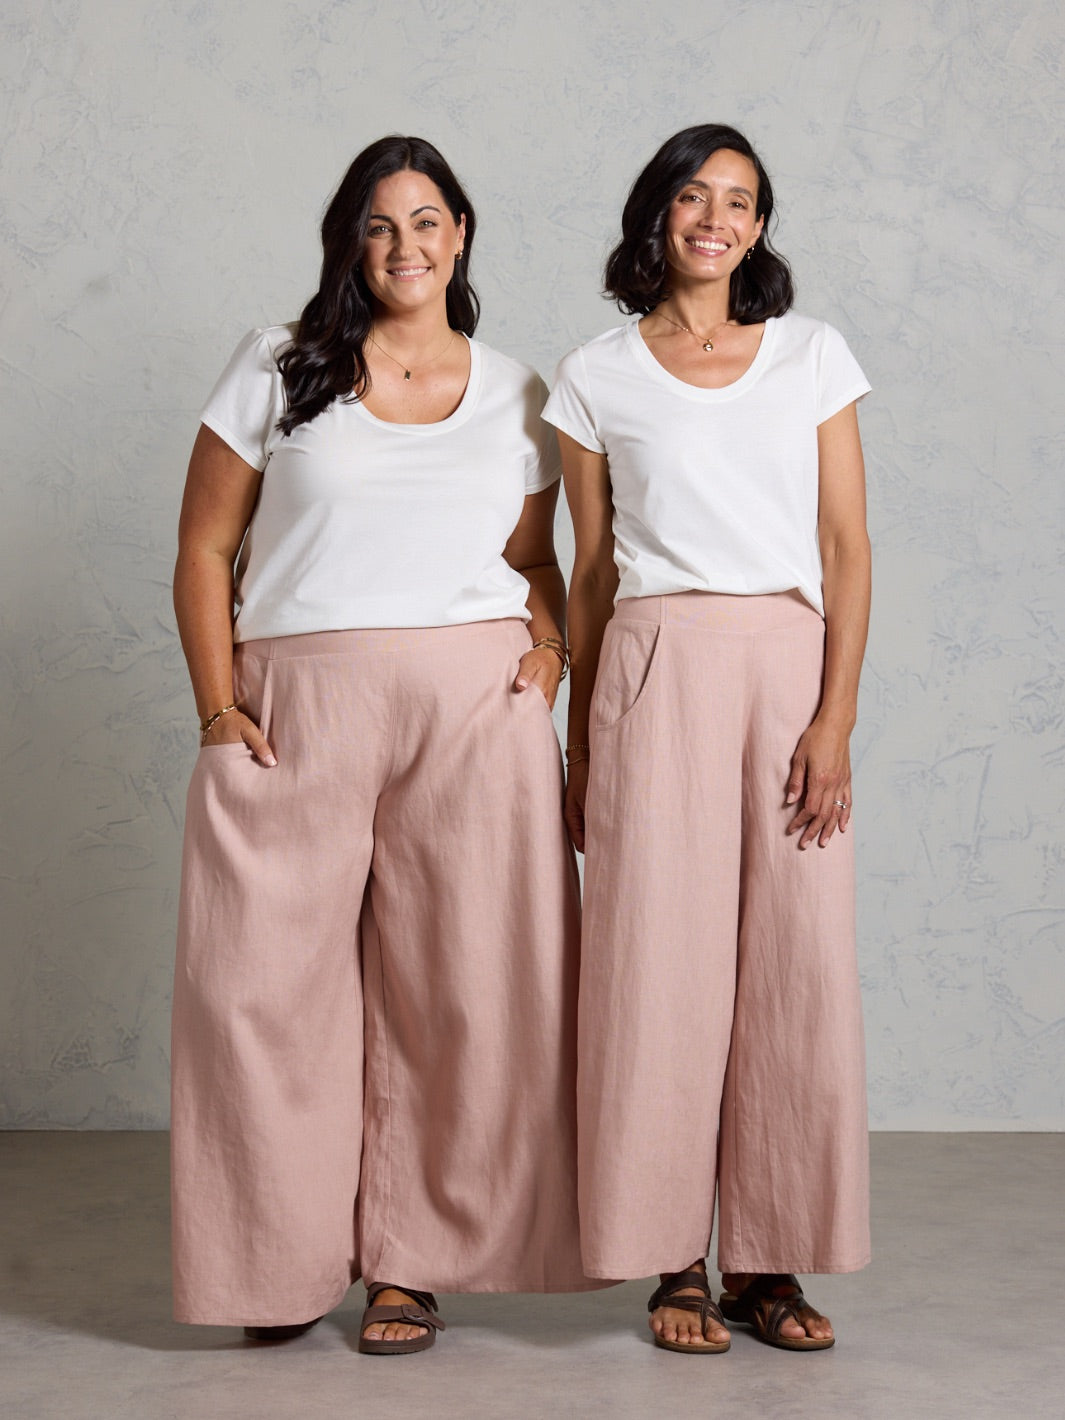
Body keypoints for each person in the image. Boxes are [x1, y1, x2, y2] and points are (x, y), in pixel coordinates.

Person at [171, 135, 594, 1355]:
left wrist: (552, 654)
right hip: (299, 699)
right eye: (377, 225)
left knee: (459, 987)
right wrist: (216, 705)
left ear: (461, 233)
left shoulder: (521, 390)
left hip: (473, 709)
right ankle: (276, 1257)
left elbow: (534, 564)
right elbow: (204, 550)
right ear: (350, 243)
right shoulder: (277, 366)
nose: (405, 245)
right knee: (261, 988)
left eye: (427, 221)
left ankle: (411, 1263)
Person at [543, 122, 871, 1354]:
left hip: (787, 667)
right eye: (695, 194)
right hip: (651, 666)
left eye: (740, 200)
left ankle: (769, 1263)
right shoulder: (593, 375)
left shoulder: (813, 356)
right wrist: (579, 748)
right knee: (656, 967)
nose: (716, 218)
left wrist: (834, 714)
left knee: (795, 965)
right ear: (658, 215)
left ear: (761, 227)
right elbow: (586, 575)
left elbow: (848, 548)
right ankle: (673, 1256)